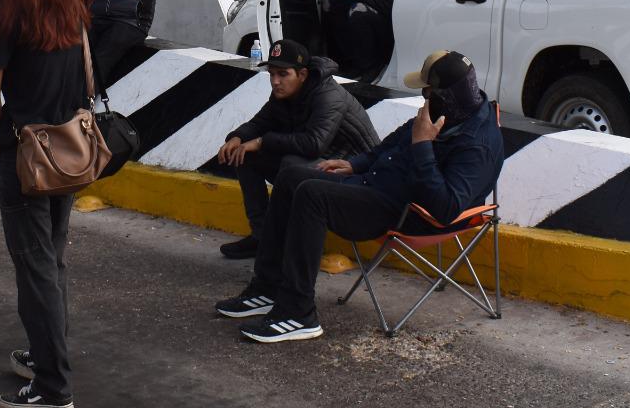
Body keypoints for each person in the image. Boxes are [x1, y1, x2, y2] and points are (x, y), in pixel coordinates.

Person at [213, 50, 503, 343]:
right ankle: (267, 287)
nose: (424, 99)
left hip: (408, 214)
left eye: (428, 91)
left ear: (447, 94)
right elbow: (395, 140)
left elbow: (445, 209)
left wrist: (423, 145)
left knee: (313, 195)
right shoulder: (447, 113)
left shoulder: (478, 146)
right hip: (375, 184)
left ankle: (297, 313)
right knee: (291, 177)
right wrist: (357, 163)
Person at [0, 0, 91, 408]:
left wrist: (4, 132)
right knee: (53, 260)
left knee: (34, 266)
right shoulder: (70, 0)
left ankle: (52, 387)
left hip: (25, 155)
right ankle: (48, 355)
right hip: (68, 149)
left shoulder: (5, 7)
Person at [215, 39, 379, 260]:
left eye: (282, 74)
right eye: (272, 74)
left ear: (302, 74)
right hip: (321, 164)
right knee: (245, 156)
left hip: (354, 177)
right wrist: (237, 137)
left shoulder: (329, 96)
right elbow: (261, 121)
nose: (275, 81)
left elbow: (314, 144)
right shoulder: (286, 91)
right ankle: (262, 237)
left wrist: (262, 142)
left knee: (292, 166)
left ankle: (296, 246)